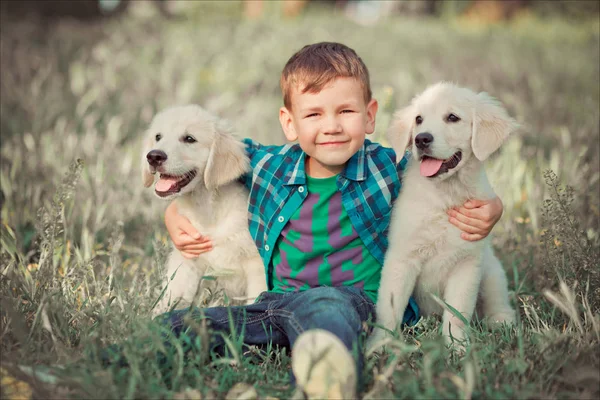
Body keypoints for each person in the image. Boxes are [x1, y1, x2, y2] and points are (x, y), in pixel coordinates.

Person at [160, 42, 503, 398]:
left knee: (327, 311)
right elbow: (206, 153)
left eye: (346, 111)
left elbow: (455, 174)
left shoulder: (387, 167)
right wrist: (172, 211)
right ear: (289, 123)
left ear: (370, 116)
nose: (332, 126)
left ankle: (321, 382)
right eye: (314, 115)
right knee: (189, 326)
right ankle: (120, 359)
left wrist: (494, 207)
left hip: (353, 303)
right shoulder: (267, 166)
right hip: (274, 304)